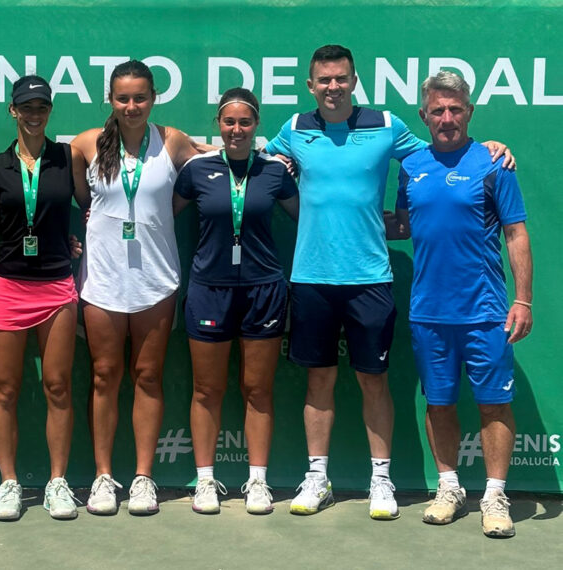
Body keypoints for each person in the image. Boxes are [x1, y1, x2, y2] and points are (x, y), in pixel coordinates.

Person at [264, 44, 513, 520]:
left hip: (371, 278)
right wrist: (201, 150)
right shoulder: (294, 128)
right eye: (324, 80)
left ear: (353, 82)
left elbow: (446, 152)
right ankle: (317, 477)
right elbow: (251, 157)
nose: (333, 87)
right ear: (311, 85)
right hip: (311, 276)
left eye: (341, 78)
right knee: (319, 379)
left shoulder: (386, 125)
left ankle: (381, 480)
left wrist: (492, 148)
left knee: (373, 380)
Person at [389, 71, 532, 538]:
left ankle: (495, 496)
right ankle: (448, 488)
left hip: (486, 311)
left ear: (469, 112)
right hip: (428, 312)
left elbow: (516, 233)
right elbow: (403, 225)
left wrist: (523, 299)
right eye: (438, 110)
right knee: (439, 404)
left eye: (455, 109)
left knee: (494, 405)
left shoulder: (494, 163)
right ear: (424, 116)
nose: (447, 118)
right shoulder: (411, 166)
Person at [71, 59, 200, 516]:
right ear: (110, 99)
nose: (131, 106)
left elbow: (215, 159)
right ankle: (103, 476)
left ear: (153, 98)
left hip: (156, 280)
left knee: (147, 376)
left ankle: (144, 477)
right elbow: (79, 197)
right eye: (123, 98)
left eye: (140, 98)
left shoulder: (172, 140)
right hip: (103, 280)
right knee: (104, 376)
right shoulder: (86, 144)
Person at [173, 88, 298, 514]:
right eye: (229, 122)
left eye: (245, 122)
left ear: (256, 125)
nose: (237, 129)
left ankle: (257, 481)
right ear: (218, 125)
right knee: (206, 389)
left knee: (257, 389)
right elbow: (157, 217)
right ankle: (205, 481)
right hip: (209, 290)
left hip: (264, 290)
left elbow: (311, 216)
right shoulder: (196, 170)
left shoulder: (275, 171)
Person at [0, 75, 89, 521]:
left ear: (49, 111)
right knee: (5, 388)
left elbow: (93, 208)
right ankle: (9, 483)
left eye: (41, 107)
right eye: (26, 107)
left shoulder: (69, 157)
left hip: (56, 284)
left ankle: (57, 483)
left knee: (57, 386)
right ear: (13, 110)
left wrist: (76, 242)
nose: (34, 114)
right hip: (8, 284)